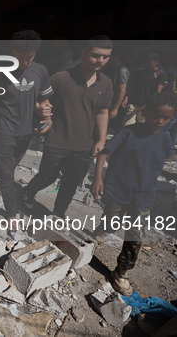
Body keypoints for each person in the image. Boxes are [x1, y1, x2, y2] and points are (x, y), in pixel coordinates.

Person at [91, 92, 177, 296]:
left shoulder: (165, 139)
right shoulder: (128, 133)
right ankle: (102, 231)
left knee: (135, 236)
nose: (161, 121)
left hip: (143, 196)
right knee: (112, 219)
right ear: (145, 111)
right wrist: (98, 178)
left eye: (166, 118)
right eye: (157, 115)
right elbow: (104, 153)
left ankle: (121, 273)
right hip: (118, 189)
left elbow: (159, 160)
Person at [0, 30, 54, 229]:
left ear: (35, 53)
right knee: (7, 178)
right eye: (20, 57)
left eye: (29, 57)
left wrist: (48, 118)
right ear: (12, 52)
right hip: (5, 131)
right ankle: (11, 214)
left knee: (5, 169)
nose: (25, 62)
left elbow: (43, 99)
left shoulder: (40, 71)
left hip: (26, 133)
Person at [23, 36, 114, 218]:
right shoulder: (61, 77)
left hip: (83, 145)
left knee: (71, 182)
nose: (100, 61)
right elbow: (41, 97)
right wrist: (45, 115)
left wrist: (101, 140)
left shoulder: (106, 83)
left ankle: (58, 213)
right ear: (84, 53)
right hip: (57, 140)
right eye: (96, 55)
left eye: (106, 57)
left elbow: (102, 112)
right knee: (47, 176)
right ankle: (27, 192)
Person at [123, 52, 168, 126]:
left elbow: (158, 92)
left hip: (146, 106)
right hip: (133, 103)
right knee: (127, 124)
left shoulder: (161, 74)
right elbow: (133, 87)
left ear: (157, 62)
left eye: (150, 65)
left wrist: (149, 104)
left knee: (141, 126)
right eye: (146, 64)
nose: (147, 67)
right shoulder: (139, 72)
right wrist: (127, 97)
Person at [107, 52, 130, 124]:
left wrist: (115, 108)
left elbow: (122, 91)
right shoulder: (113, 69)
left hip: (114, 104)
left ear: (115, 57)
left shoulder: (122, 70)